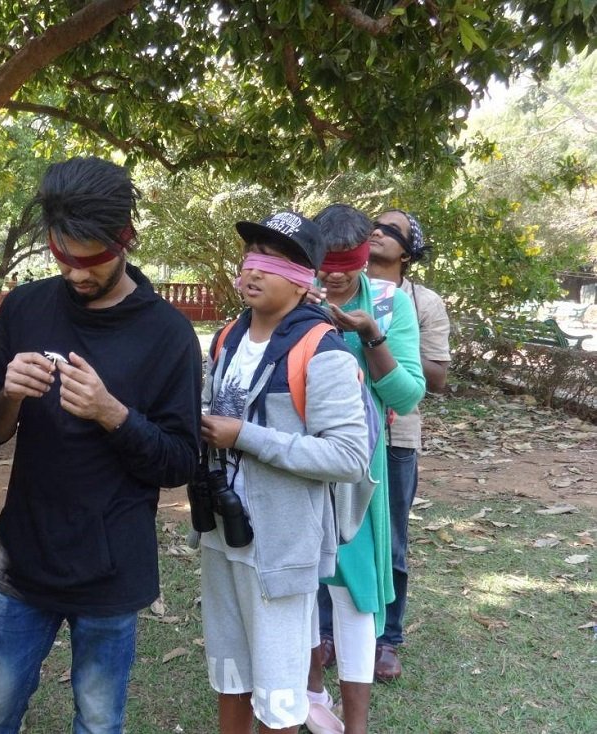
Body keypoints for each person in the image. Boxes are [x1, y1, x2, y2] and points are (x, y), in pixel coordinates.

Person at [0, 156, 201, 734]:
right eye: (62, 255)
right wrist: (11, 398)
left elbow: (178, 461)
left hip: (111, 567)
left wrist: (112, 414)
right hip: (26, 556)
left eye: (91, 259)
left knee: (98, 723)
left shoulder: (167, 334)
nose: (75, 274)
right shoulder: (25, 308)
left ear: (126, 239)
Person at [198, 211, 369, 734]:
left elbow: (347, 456)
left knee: (278, 694)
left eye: (271, 261)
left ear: (302, 279)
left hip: (281, 547)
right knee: (230, 674)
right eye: (250, 257)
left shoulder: (321, 349)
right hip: (222, 534)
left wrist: (243, 436)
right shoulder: (228, 336)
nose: (253, 270)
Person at [307, 204, 425, 734]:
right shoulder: (292, 291)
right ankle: (310, 695)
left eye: (346, 262)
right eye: (324, 262)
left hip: (357, 474)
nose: (333, 274)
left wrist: (370, 334)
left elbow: (406, 393)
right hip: (297, 468)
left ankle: (354, 722)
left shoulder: (386, 301)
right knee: (299, 587)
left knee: (355, 592)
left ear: (363, 257)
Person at [367, 209, 451, 681]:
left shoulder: (423, 302)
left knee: (391, 536)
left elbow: (436, 377)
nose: (377, 232)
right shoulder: (342, 286)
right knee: (335, 534)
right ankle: (330, 631)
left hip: (398, 436)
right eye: (373, 226)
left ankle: (387, 639)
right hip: (341, 431)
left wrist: (387, 333)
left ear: (408, 251)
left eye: (392, 231)